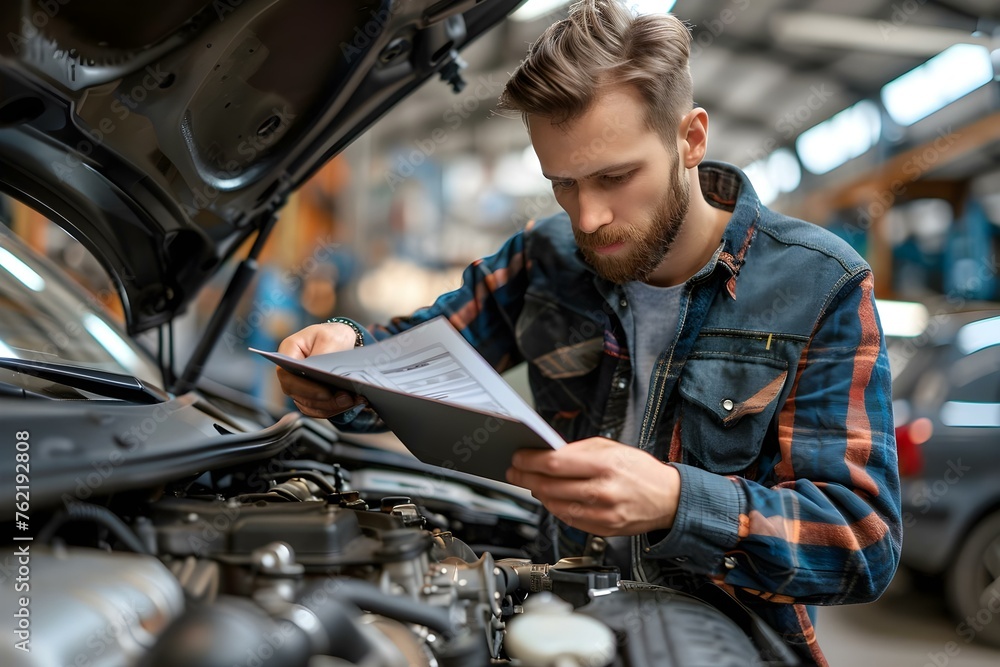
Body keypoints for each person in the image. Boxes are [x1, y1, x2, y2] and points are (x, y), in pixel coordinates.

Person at [276, 1, 901, 663]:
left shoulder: (818, 283)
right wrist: (342, 351)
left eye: (615, 177)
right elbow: (406, 361)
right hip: (558, 625)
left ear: (690, 139)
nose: (590, 216)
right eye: (562, 184)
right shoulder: (544, 257)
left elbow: (863, 543)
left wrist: (676, 500)